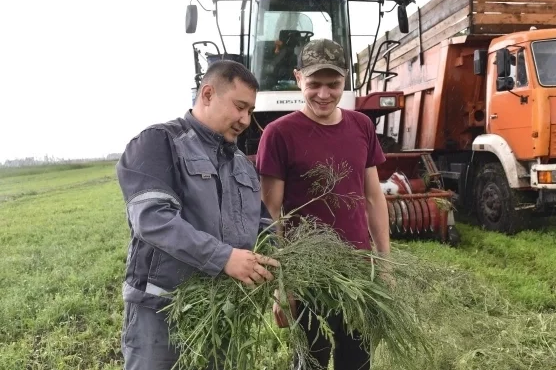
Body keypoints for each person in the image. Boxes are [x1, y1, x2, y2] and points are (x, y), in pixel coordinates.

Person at [115, 60, 279, 370]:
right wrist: (224, 258)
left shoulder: (242, 164)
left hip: (222, 311)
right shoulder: (158, 143)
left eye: (250, 111)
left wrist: (282, 272)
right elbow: (153, 219)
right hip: (162, 311)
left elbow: (262, 225)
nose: (246, 120)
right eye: (240, 106)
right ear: (207, 94)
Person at [256, 38, 391, 370]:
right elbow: (271, 214)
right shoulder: (278, 134)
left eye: (334, 84)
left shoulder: (361, 126)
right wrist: (281, 283)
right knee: (311, 357)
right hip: (306, 273)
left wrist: (385, 265)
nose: (324, 93)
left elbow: (373, 197)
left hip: (356, 269)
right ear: (298, 78)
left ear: (346, 79)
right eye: (314, 83)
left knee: (358, 357)